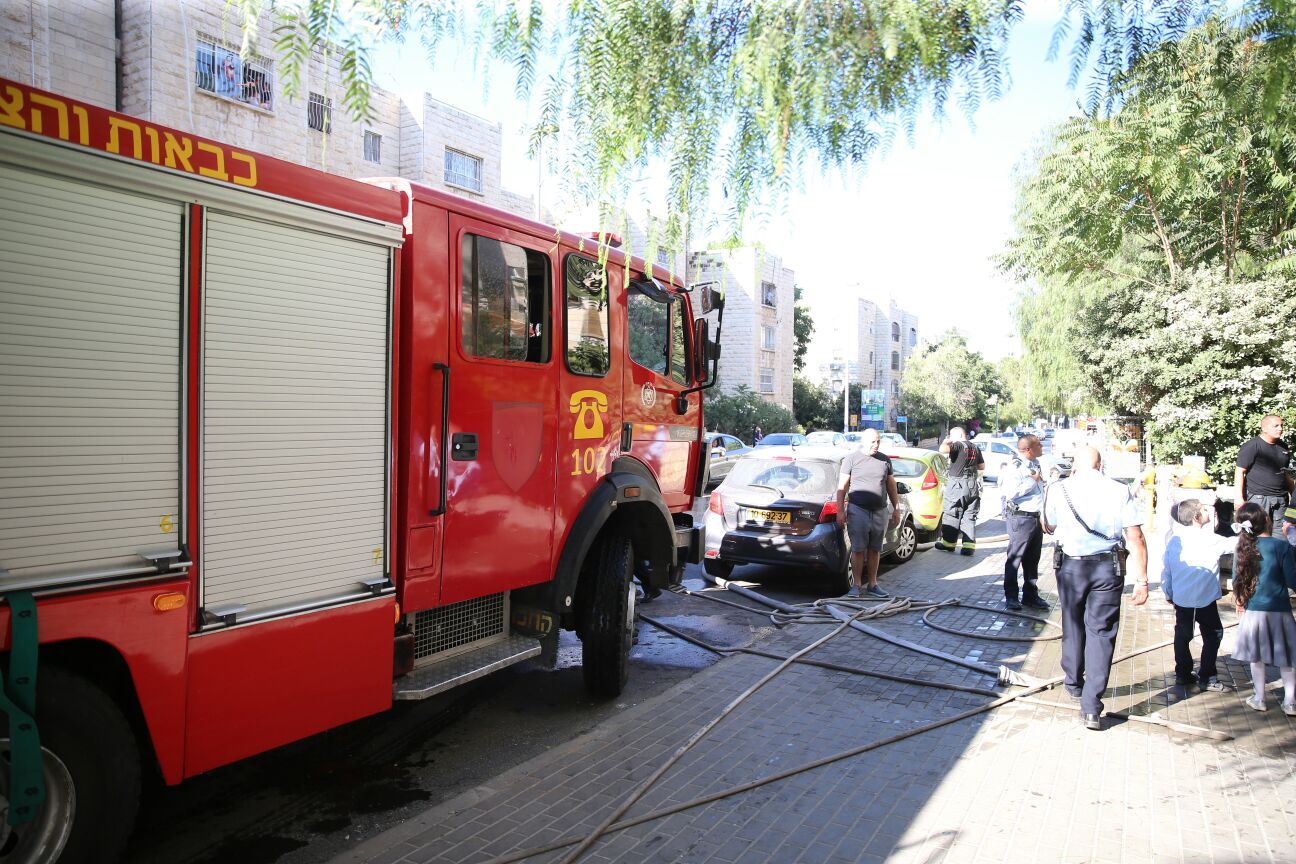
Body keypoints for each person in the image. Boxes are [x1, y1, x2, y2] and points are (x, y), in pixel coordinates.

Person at [1042, 446, 1149, 730]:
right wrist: (1142, 579)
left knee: (1072, 622)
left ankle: (1073, 681)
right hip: (1107, 567)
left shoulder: (1059, 489)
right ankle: (1091, 707)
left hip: (1071, 566)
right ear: (1100, 465)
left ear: (1075, 466)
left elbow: (1049, 525)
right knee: (1101, 633)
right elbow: (1135, 536)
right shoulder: (1119, 489)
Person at [1161, 499, 1238, 692]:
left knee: (1183, 635)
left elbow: (1167, 569)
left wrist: (1168, 591)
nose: (1209, 511)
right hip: (1204, 599)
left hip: (1182, 598)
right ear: (1196, 518)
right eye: (1204, 509)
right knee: (1213, 634)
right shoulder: (1209, 538)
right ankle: (1208, 677)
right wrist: (1249, 530)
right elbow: (1235, 544)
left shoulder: (1174, 540)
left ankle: (1183, 674)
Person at [1230, 503, 1296, 715]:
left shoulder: (1242, 547)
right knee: (1287, 657)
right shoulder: (1281, 546)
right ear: (1266, 520)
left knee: (1256, 658)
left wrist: (1240, 602)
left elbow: (1235, 580)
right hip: (1280, 610)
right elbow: (1293, 579)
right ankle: (1290, 702)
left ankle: (1259, 698)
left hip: (1254, 611)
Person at [836, 428, 900, 599]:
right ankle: (857, 585)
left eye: (878, 441)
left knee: (875, 549)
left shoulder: (884, 460)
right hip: (858, 510)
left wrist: (896, 507)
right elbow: (842, 487)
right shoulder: (851, 459)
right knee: (858, 549)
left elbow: (891, 485)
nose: (876, 445)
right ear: (863, 441)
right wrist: (840, 511)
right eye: (873, 441)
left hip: (880, 511)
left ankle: (872, 584)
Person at [1001, 434, 1049, 611]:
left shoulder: (1035, 464)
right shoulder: (1016, 466)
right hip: (1020, 518)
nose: (1042, 447)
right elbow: (1011, 492)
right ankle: (1011, 597)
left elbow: (1040, 494)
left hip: (1034, 517)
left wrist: (1043, 516)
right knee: (1015, 558)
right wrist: (1031, 480)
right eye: (1039, 445)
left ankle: (1030, 595)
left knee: (1032, 560)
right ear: (1028, 449)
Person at [1235, 415, 1292, 531]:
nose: (1280, 428)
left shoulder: (1283, 447)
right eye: (1276, 426)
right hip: (1258, 498)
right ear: (1264, 428)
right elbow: (1240, 471)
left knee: (1281, 535)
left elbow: (1285, 473)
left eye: (1281, 425)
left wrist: (1294, 493)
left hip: (1280, 499)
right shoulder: (1252, 446)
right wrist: (1238, 498)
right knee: (1257, 533)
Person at [936, 427, 983, 555]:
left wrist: (946, 441)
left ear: (956, 435)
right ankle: (968, 547)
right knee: (969, 515)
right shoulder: (975, 447)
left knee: (952, 513)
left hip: (957, 485)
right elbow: (981, 466)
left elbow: (942, 450)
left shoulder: (958, 445)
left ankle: (948, 544)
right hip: (973, 485)